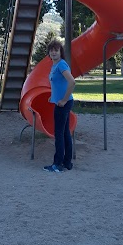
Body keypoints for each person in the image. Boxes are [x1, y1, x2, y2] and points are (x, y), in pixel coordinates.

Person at [43, 40, 76, 173]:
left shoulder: (61, 65)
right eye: (51, 50)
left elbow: (72, 82)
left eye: (56, 50)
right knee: (65, 133)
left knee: (59, 134)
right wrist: (54, 97)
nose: (54, 52)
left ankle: (57, 164)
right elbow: (57, 84)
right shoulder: (54, 65)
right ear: (49, 53)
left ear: (60, 52)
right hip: (60, 102)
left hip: (63, 104)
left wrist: (63, 99)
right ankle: (67, 162)